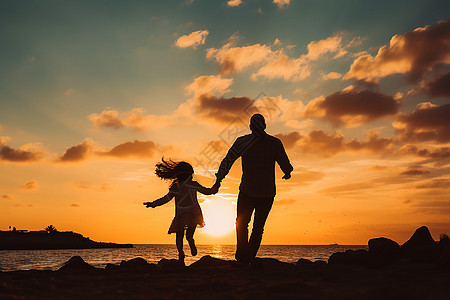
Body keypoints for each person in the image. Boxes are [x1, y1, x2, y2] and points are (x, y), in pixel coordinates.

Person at [215, 113, 293, 265]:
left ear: (250, 127)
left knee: (242, 224)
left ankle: (242, 256)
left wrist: (219, 178)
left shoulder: (243, 142)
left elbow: (228, 160)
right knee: (258, 227)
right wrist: (287, 173)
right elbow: (285, 163)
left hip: (247, 191)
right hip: (267, 192)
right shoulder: (274, 143)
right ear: (264, 126)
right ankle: (248, 257)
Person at [144, 159, 220, 265]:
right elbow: (208, 191)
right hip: (191, 214)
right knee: (186, 235)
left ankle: (182, 252)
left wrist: (153, 204)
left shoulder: (178, 186)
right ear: (188, 175)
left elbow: (166, 199)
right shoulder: (187, 185)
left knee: (180, 237)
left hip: (185, 214)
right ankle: (184, 250)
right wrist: (216, 185)